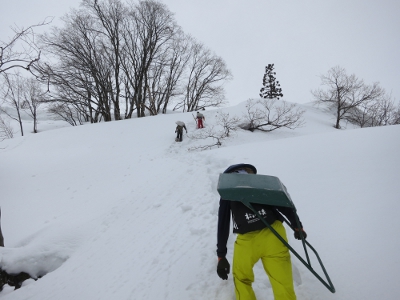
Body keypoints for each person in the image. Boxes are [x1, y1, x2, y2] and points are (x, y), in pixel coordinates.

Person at [216, 163, 307, 300]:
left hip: (247, 240)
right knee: (282, 281)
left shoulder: (228, 192)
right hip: (274, 234)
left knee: (241, 278)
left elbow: (223, 223)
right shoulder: (259, 185)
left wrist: (221, 255)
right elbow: (284, 204)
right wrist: (297, 226)